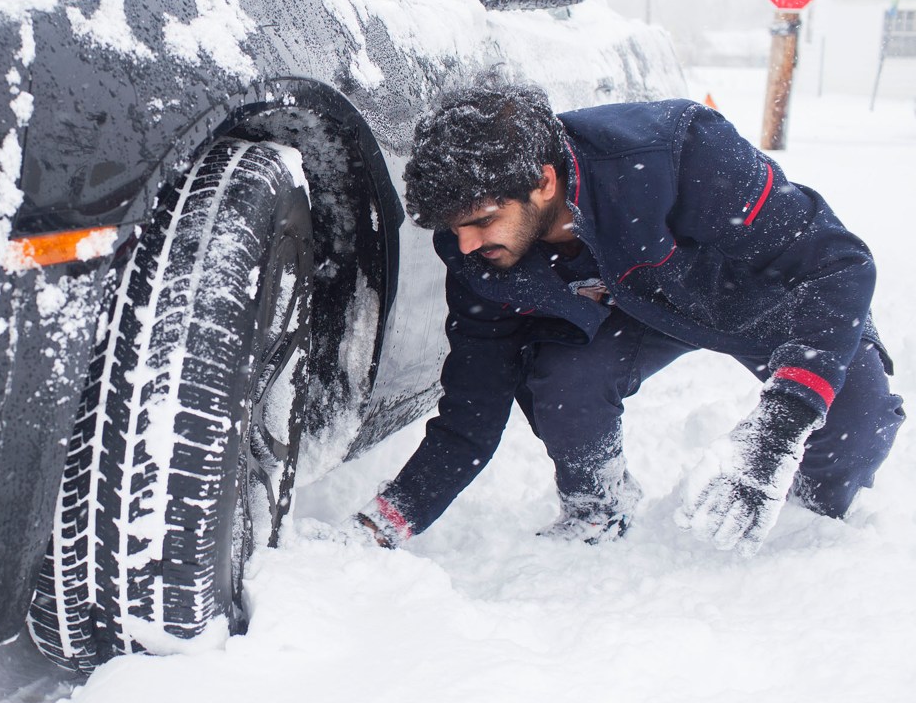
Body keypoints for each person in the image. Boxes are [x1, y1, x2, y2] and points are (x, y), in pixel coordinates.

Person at [354, 82, 904, 556]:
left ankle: (810, 518)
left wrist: (778, 431)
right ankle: (597, 508)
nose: (466, 244)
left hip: (769, 302)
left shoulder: (679, 153)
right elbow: (474, 401)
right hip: (642, 311)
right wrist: (396, 514)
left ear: (544, 182)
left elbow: (837, 265)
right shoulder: (477, 249)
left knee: (855, 422)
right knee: (564, 380)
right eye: (454, 228)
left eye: (482, 220)